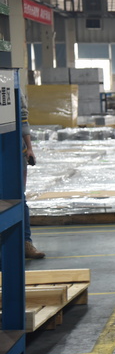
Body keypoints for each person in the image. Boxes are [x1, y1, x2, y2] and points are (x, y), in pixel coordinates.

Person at [21, 93, 45, 259]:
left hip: (12, 151)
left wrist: (29, 148)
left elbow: (23, 119)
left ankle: (25, 242)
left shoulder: (10, 87)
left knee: (18, 198)